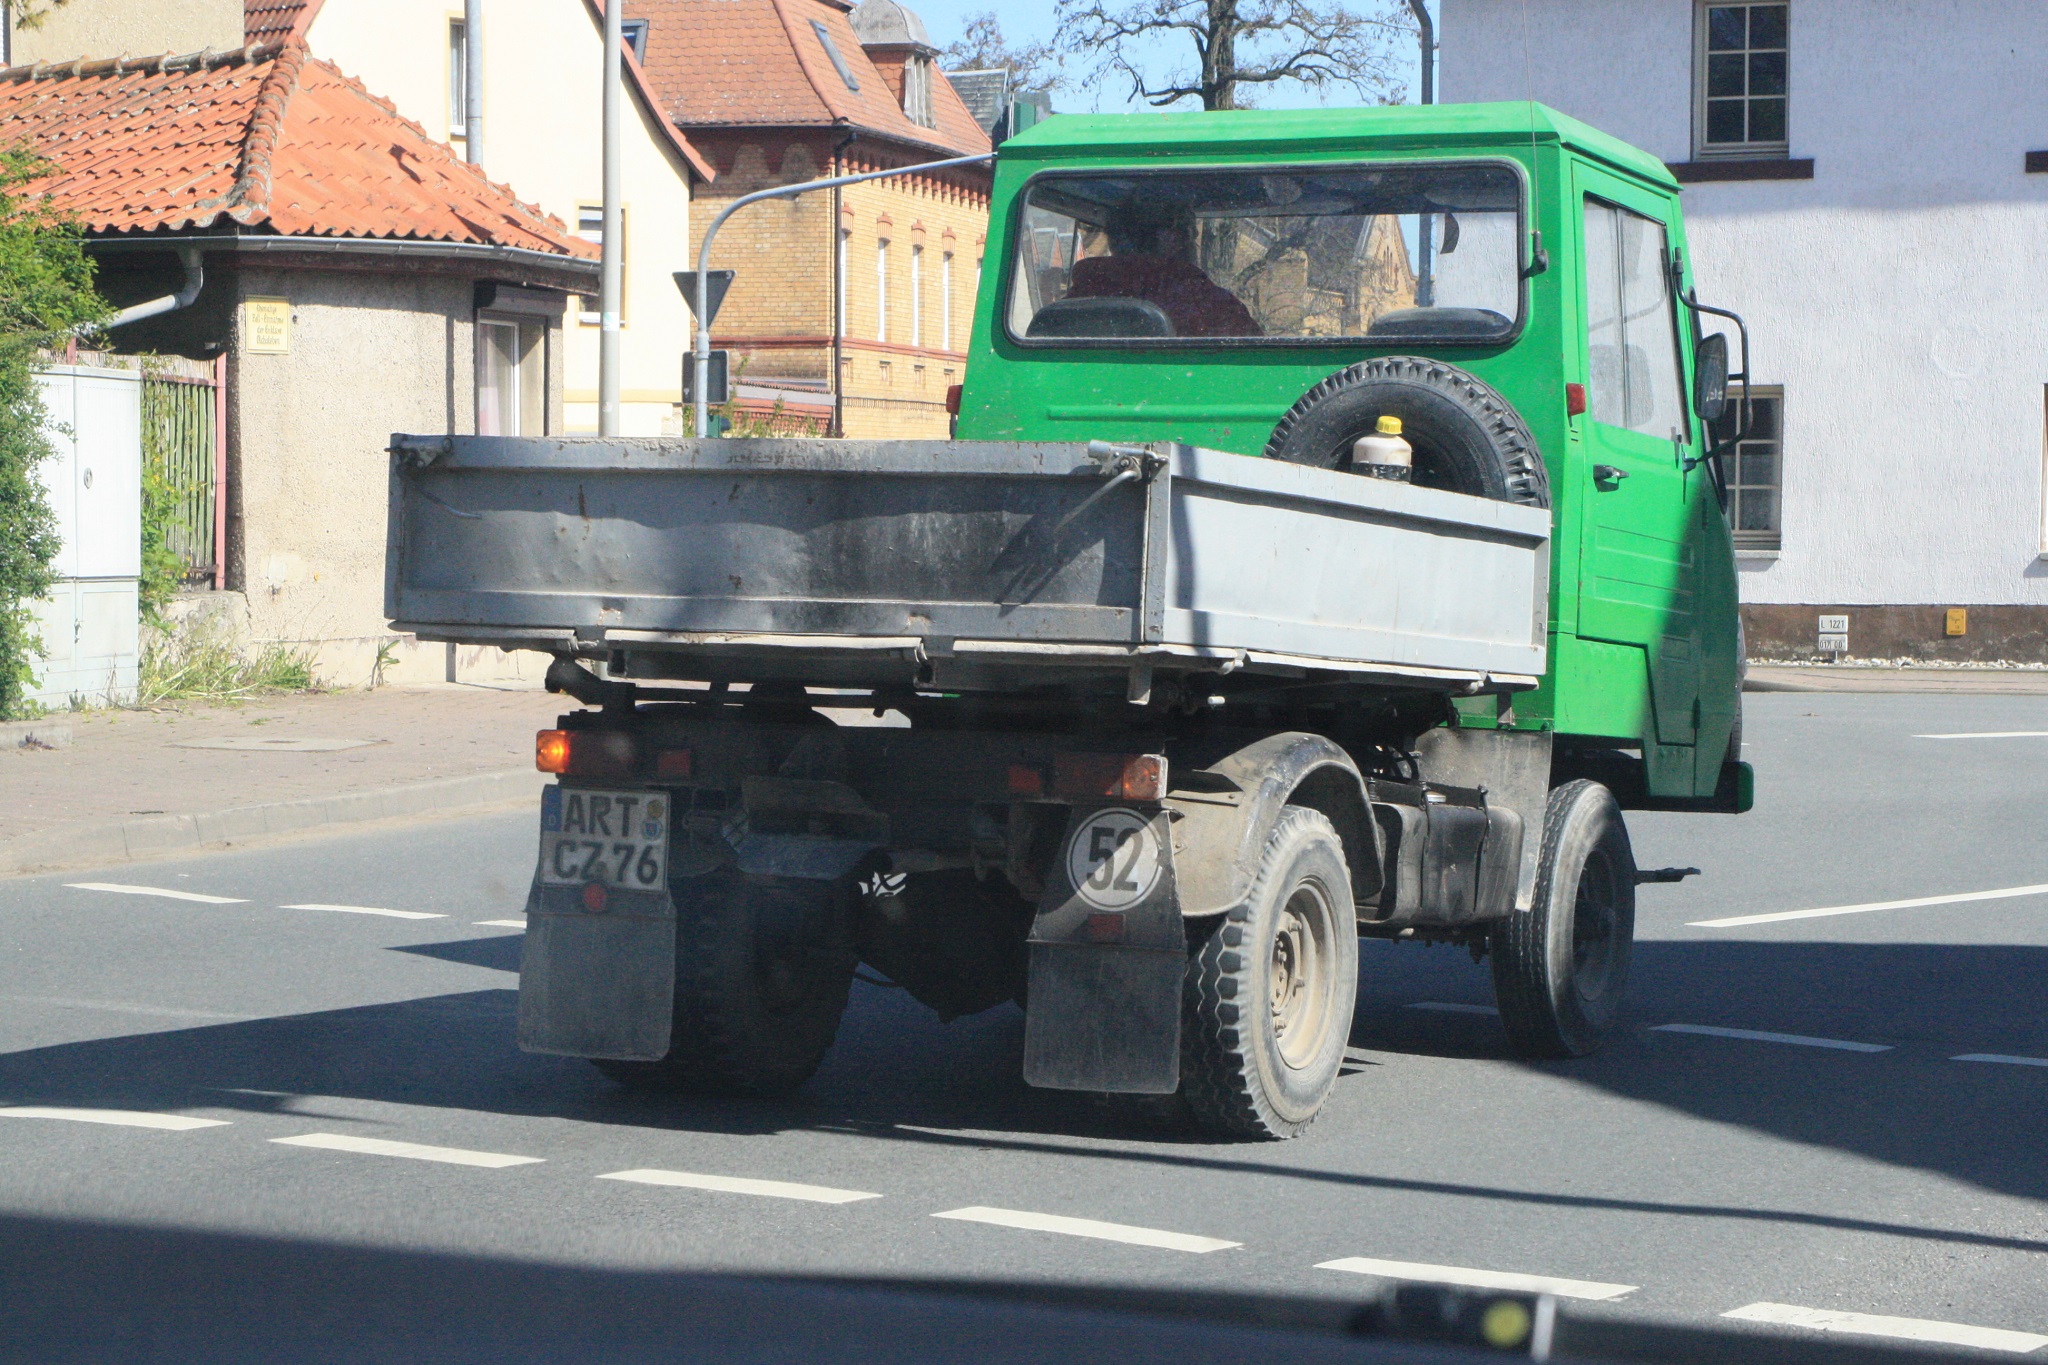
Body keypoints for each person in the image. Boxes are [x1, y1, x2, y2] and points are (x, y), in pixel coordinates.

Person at [1062, 204, 1262, 338]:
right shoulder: (1207, 304)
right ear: (1173, 238)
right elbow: (1260, 369)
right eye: (1190, 234)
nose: (1192, 243)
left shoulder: (1073, 306)